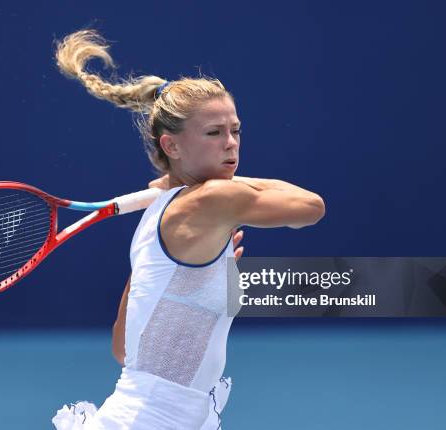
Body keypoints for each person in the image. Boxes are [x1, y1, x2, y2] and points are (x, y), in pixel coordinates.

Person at [51, 29, 325, 430]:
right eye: (214, 133)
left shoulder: (155, 221)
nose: (230, 144)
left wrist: (195, 285)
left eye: (236, 130)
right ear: (172, 146)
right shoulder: (209, 200)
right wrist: (215, 188)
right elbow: (311, 207)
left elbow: (124, 350)